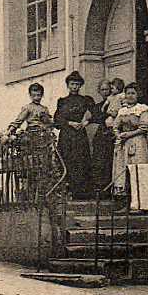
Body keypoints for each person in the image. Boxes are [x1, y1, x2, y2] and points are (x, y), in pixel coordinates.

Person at [53, 71, 94, 199]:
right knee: (67, 160)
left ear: (80, 85)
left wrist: (84, 122)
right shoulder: (62, 101)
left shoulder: (85, 100)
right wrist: (69, 123)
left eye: (77, 84)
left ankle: (81, 193)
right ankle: (67, 191)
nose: (74, 86)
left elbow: (94, 113)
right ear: (68, 85)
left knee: (81, 161)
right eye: (72, 84)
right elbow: (57, 119)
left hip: (80, 135)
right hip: (66, 136)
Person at [112, 82, 148, 197]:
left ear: (138, 95)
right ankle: (125, 202)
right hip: (124, 144)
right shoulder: (122, 111)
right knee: (124, 173)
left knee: (136, 171)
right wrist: (118, 135)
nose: (130, 96)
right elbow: (115, 126)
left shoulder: (142, 109)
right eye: (128, 93)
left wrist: (128, 134)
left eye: (133, 93)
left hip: (137, 142)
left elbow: (144, 128)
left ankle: (138, 202)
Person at [89, 79, 117, 196]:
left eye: (108, 89)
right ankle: (101, 189)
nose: (106, 92)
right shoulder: (97, 107)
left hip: (114, 135)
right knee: (100, 161)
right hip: (101, 136)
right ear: (99, 91)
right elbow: (94, 118)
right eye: (103, 90)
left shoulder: (118, 103)